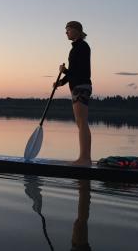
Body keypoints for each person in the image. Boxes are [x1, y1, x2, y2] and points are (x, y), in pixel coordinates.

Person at [55, 21, 92, 166]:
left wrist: (64, 72)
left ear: (76, 30)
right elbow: (74, 71)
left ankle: (84, 159)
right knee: (80, 122)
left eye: (68, 30)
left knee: (82, 122)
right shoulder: (77, 47)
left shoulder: (81, 47)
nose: (66, 33)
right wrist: (61, 82)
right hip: (78, 86)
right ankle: (85, 158)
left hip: (81, 86)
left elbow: (79, 71)